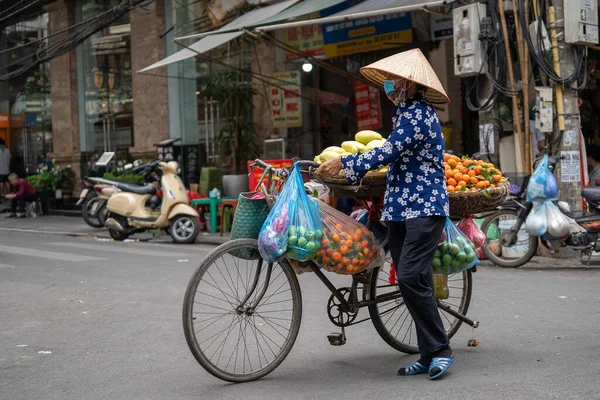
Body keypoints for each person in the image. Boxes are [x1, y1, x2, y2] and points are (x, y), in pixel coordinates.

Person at [317, 49, 454, 380]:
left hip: (424, 206)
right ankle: (427, 352)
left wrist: (347, 164)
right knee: (413, 281)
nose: (390, 87)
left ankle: (442, 349)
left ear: (408, 85)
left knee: (408, 276)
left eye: (396, 82)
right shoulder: (402, 114)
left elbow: (391, 150)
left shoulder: (419, 114)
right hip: (400, 208)